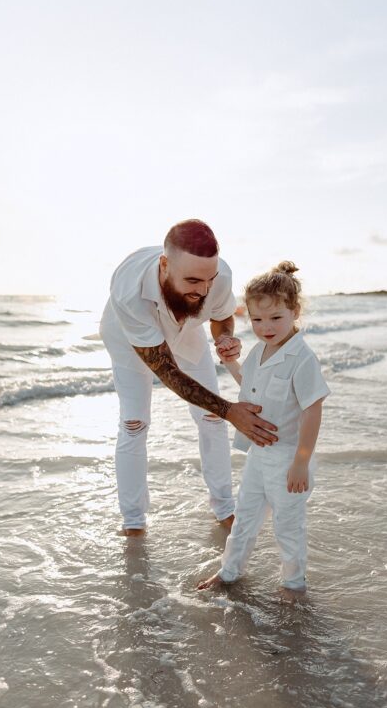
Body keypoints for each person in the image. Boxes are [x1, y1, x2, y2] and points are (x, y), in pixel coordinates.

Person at [100, 220, 279, 537]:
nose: (204, 290)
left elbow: (222, 316)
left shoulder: (218, 276)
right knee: (134, 423)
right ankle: (133, 521)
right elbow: (167, 372)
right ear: (165, 265)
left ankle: (225, 509)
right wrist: (230, 409)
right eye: (194, 280)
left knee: (211, 418)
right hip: (130, 341)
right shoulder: (129, 291)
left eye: (209, 280)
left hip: (187, 331)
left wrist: (224, 338)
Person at [197, 261, 329, 601]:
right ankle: (229, 572)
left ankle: (294, 585)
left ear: (294, 312)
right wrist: (230, 364)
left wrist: (301, 461)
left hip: (288, 457)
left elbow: (313, 409)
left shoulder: (302, 358)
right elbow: (250, 388)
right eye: (256, 320)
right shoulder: (259, 351)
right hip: (259, 454)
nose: (265, 327)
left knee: (288, 525)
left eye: (275, 318)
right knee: (245, 519)